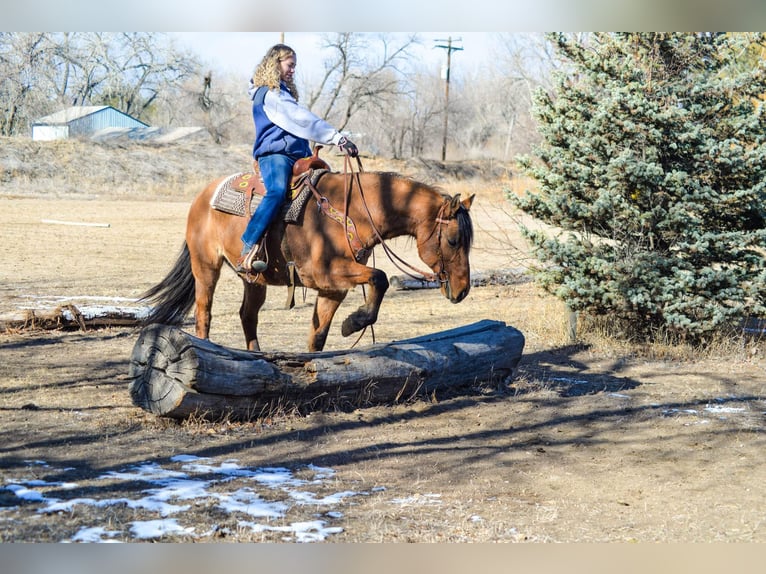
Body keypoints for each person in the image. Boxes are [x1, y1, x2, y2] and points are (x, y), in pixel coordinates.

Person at [236, 43, 359, 274]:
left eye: (295, 66)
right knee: (277, 191)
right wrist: (337, 138)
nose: (293, 70)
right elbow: (302, 119)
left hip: (298, 155)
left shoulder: (282, 92)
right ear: (276, 63)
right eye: (289, 65)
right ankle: (249, 246)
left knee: (326, 188)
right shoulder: (271, 94)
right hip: (275, 154)